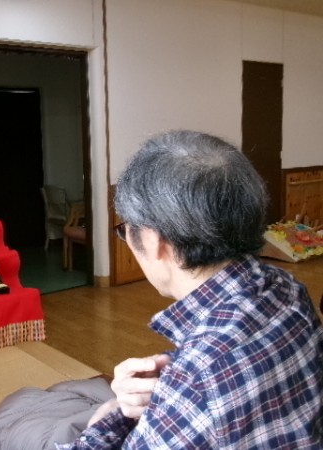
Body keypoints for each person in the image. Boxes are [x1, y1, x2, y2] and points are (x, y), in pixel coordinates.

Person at [54, 130, 323, 449]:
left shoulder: (196, 381)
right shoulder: (287, 287)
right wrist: (168, 373)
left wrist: (108, 416)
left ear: (153, 240)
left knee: (17, 417)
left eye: (125, 231)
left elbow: (205, 375)